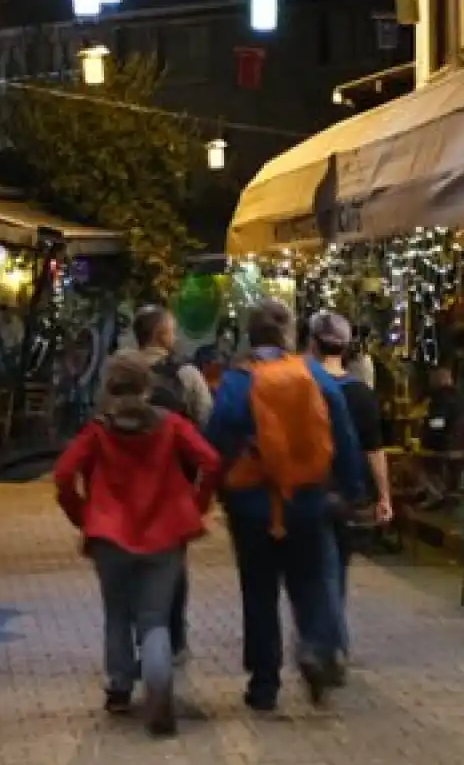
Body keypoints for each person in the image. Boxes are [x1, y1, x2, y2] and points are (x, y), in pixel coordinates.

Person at [205, 300, 366, 712]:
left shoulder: (236, 383)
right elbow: (344, 436)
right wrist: (350, 491)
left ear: (249, 334)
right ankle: (315, 647)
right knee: (311, 582)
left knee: (258, 592)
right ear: (288, 334)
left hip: (252, 507)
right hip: (309, 501)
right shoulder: (313, 377)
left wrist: (217, 491)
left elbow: (217, 439)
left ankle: (264, 684)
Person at [55, 351, 219, 737]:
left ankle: (119, 687)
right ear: (147, 387)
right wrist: (194, 506)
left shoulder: (98, 430)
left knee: (116, 612)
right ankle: (158, 682)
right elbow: (211, 461)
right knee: (154, 619)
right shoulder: (171, 425)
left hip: (109, 535)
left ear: (109, 387)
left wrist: (83, 514)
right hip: (164, 533)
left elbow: (63, 474)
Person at [305, 312, 391, 664]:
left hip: (305, 489)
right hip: (345, 492)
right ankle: (331, 643)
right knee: (335, 567)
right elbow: (375, 450)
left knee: (312, 570)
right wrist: (384, 496)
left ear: (312, 342)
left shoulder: (303, 385)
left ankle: (323, 641)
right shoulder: (361, 394)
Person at [130, 304, 211, 663]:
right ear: (161, 334)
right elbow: (206, 417)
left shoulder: (120, 370)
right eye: (172, 329)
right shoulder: (187, 374)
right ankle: (174, 637)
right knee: (173, 559)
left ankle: (143, 629)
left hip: (127, 479)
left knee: (133, 552)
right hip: (175, 478)